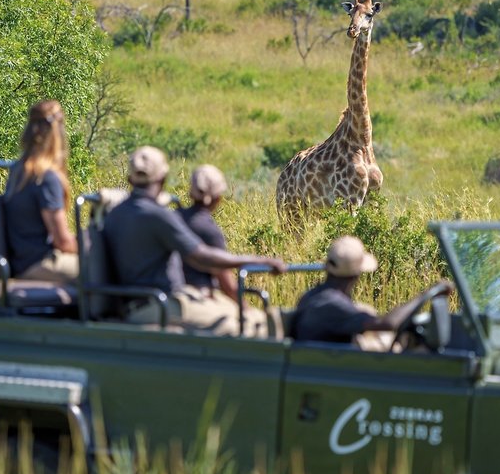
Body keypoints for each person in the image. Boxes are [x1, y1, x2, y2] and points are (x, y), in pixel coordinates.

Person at [103, 146, 286, 334]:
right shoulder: (157, 215)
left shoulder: (114, 214)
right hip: (161, 304)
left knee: (246, 318)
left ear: (130, 179)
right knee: (248, 325)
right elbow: (201, 256)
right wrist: (260, 260)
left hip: (142, 303)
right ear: (163, 178)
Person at [290, 235, 453, 349]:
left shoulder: (315, 295)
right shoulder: (332, 304)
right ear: (356, 276)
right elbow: (387, 324)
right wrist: (426, 294)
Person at [178, 164, 270, 333]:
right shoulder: (209, 230)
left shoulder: (174, 218)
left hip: (175, 296)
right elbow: (227, 285)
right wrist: (247, 310)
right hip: (200, 297)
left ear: (191, 192)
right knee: (262, 323)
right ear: (218, 198)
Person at [3, 99, 79, 284]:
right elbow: (62, 242)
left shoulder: (18, 171)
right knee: (105, 271)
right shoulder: (46, 178)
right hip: (39, 262)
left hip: (22, 261)